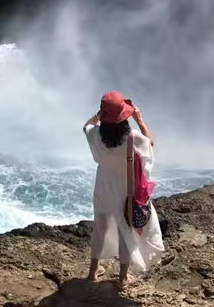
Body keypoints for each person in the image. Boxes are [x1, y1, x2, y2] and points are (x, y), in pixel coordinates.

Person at [83, 92, 164, 289]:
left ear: (104, 116)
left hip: (103, 189)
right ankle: (122, 278)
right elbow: (150, 144)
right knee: (125, 233)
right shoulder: (132, 138)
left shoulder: (95, 133)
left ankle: (92, 273)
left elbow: (85, 126)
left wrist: (98, 115)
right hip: (125, 192)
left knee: (100, 229)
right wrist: (140, 120)